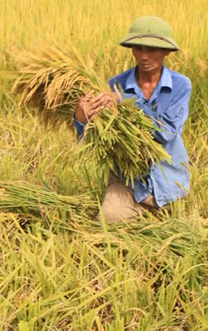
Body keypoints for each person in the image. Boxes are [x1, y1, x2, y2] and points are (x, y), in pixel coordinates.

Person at [73, 16, 191, 223]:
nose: (143, 56)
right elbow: (96, 140)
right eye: (138, 49)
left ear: (167, 52)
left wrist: (125, 100)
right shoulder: (115, 84)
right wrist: (81, 117)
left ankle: (152, 209)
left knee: (171, 231)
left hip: (168, 180)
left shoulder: (180, 85)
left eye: (152, 49)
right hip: (128, 181)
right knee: (107, 224)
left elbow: (167, 132)